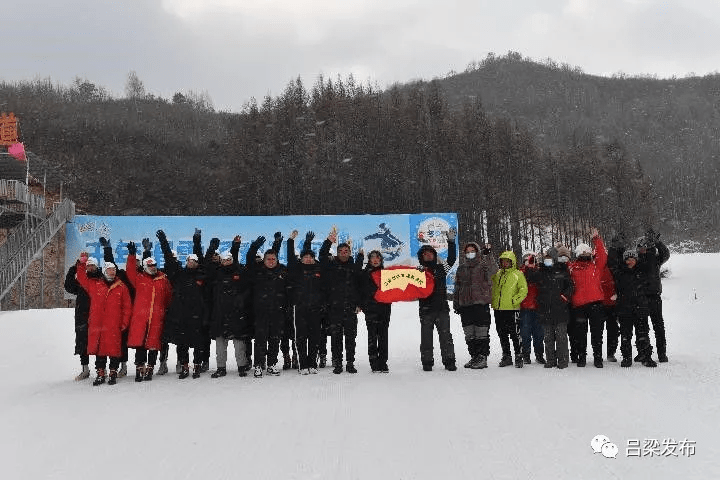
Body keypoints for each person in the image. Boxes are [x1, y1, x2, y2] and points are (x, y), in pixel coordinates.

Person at [156, 229, 211, 379]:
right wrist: (164, 242)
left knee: (198, 344)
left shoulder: (202, 276)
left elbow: (202, 258)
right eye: (189, 261)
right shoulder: (179, 274)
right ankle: (184, 366)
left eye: (194, 261)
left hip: (197, 316)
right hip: (181, 316)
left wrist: (197, 241)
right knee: (182, 344)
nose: (191, 263)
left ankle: (197, 366)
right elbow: (169, 259)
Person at [75, 255, 132, 386]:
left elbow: (127, 307)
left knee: (114, 350)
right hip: (98, 325)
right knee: (99, 350)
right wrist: (81, 263)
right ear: (105, 271)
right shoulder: (95, 284)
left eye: (114, 270)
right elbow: (82, 278)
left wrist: (124, 324)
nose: (113, 272)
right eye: (110, 269)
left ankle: (113, 372)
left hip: (114, 326)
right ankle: (100, 372)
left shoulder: (121, 287)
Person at [204, 236, 253, 378]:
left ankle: (242, 366)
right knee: (220, 345)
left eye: (229, 259)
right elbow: (207, 263)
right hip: (219, 313)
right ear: (221, 261)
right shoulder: (216, 273)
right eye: (224, 260)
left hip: (236, 313)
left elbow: (248, 289)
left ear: (232, 260)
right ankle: (221, 368)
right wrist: (211, 249)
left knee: (239, 344)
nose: (227, 262)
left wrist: (241, 299)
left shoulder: (240, 272)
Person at [125, 241, 173, 381]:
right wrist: (132, 255)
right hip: (140, 317)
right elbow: (130, 271)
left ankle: (151, 367)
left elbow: (168, 296)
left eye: (154, 265)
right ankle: (140, 367)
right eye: (150, 266)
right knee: (140, 343)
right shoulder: (139, 279)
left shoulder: (163, 279)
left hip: (157, 317)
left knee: (153, 343)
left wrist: (164, 310)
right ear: (145, 267)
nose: (153, 268)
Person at [320, 232, 363, 374]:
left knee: (351, 338)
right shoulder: (331, 265)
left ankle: (350, 363)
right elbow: (321, 256)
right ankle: (338, 363)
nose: (343, 253)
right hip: (335, 309)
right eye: (341, 251)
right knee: (336, 338)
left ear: (350, 253)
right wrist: (328, 242)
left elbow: (359, 287)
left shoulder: (354, 266)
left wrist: (359, 304)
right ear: (337, 253)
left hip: (350, 309)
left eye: (346, 251)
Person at [247, 236, 290, 377]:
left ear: (277, 259)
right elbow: (249, 259)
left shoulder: (283, 271)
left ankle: (271, 364)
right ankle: (259, 365)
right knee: (260, 339)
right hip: (261, 312)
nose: (271, 262)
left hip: (278, 312)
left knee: (274, 339)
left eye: (273, 259)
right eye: (268, 259)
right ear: (264, 260)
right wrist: (254, 247)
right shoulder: (257, 270)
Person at [417, 228, 457, 372]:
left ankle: (449, 361)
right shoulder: (417, 272)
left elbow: (452, 259)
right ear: (421, 257)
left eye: (430, 253)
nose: (428, 255)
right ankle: (427, 362)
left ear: (434, 255)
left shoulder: (441, 269)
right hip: (426, 309)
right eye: (425, 254)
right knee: (426, 338)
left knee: (446, 336)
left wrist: (451, 242)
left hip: (442, 309)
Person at [287, 230, 327, 374]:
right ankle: (303, 364)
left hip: (316, 308)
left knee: (315, 336)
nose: (308, 259)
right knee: (301, 336)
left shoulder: (319, 269)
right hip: (300, 308)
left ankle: (312, 364)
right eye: (305, 257)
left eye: (311, 257)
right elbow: (291, 258)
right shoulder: (296, 269)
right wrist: (291, 241)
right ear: (302, 258)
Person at [567, 228, 607, 368]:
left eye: (587, 254)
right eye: (582, 254)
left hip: (595, 305)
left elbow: (602, 255)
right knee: (580, 334)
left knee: (597, 334)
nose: (585, 256)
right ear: (577, 255)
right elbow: (561, 262)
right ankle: (582, 356)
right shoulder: (572, 268)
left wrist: (597, 239)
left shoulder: (596, 266)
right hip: (579, 306)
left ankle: (598, 358)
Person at [452, 242, 496, 369]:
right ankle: (474, 356)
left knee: (481, 332)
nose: (470, 253)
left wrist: (488, 255)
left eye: (472, 251)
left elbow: (494, 272)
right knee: (469, 333)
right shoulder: (462, 268)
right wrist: (456, 303)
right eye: (467, 251)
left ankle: (482, 357)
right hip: (465, 305)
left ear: (476, 252)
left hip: (480, 303)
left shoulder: (483, 265)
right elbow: (457, 286)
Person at [612, 248, 657, 368]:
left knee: (643, 334)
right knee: (626, 335)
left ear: (636, 260)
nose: (630, 261)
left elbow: (652, 265)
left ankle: (646, 357)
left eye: (632, 259)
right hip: (624, 309)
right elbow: (617, 290)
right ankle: (627, 358)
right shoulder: (620, 273)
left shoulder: (643, 271)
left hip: (640, 308)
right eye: (627, 259)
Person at [530, 248, 573, 369]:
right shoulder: (541, 271)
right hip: (545, 310)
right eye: (546, 258)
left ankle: (563, 360)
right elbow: (530, 278)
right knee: (548, 338)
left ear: (554, 258)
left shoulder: (563, 270)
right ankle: (550, 360)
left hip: (560, 310)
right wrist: (531, 266)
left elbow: (570, 286)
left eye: (549, 258)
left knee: (561, 338)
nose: (547, 260)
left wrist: (564, 297)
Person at [64, 254, 100, 380]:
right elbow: (68, 286)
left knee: (98, 343)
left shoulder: (101, 280)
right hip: (82, 316)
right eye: (88, 265)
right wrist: (75, 267)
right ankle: (85, 369)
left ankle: (100, 369)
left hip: (97, 316)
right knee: (82, 343)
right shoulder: (80, 282)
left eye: (92, 265)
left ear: (97, 266)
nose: (90, 267)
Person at [491, 250, 528, 368]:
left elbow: (523, 290)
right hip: (498, 309)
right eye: (503, 261)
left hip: (512, 310)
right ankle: (506, 356)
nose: (505, 263)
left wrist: (514, 301)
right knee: (502, 334)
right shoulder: (498, 274)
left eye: (507, 261)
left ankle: (519, 355)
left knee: (515, 334)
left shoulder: (518, 274)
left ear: (512, 262)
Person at [638, 228, 670, 362]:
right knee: (642, 327)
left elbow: (666, 254)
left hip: (654, 296)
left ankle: (662, 353)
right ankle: (644, 352)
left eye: (644, 245)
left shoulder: (655, 258)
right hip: (641, 298)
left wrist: (658, 243)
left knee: (658, 326)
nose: (642, 248)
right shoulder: (636, 260)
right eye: (640, 246)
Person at [359, 250, 392, 373]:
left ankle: (383, 362)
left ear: (381, 260)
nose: (375, 260)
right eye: (372, 257)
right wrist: (362, 306)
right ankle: (374, 362)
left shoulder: (388, 274)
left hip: (384, 309)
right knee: (372, 337)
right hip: (371, 309)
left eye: (378, 257)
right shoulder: (364, 274)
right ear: (369, 260)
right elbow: (360, 292)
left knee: (383, 336)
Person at [519, 252, 545, 364]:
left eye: (532, 260)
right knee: (525, 333)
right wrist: (527, 269)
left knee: (539, 334)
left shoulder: (540, 272)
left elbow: (542, 282)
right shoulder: (521, 273)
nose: (530, 263)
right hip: (525, 307)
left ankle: (539, 355)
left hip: (538, 307)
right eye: (528, 260)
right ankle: (526, 355)